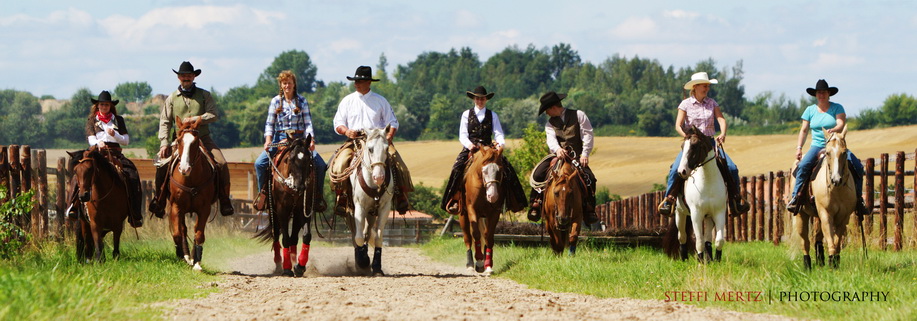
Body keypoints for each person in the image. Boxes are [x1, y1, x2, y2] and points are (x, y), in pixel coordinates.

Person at [656, 72, 750, 217]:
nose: (707, 88)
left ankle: (735, 201)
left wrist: (723, 133)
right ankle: (669, 200)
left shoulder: (712, 103)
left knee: (731, 168)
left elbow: (721, 120)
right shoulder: (685, 104)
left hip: (710, 144)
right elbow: (678, 125)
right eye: (705, 86)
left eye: (708, 86)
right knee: (676, 169)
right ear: (696, 87)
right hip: (692, 145)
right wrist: (688, 138)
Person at [148, 61, 234, 217]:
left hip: (202, 137)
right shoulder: (172, 98)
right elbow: (165, 121)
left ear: (194, 76)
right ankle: (159, 201)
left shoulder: (204, 95)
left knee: (221, 163)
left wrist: (197, 118)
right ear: (179, 77)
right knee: (161, 166)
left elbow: (214, 114)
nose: (185, 78)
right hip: (179, 140)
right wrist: (164, 143)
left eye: (188, 75)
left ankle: (224, 200)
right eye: (183, 75)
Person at [328, 66, 413, 215]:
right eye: (355, 81)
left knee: (400, 165)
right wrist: (347, 131)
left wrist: (389, 136)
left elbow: (393, 122)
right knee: (340, 163)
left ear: (368, 82)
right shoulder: (347, 101)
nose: (356, 84)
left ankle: (401, 196)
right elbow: (338, 123)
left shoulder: (381, 101)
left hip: (378, 141)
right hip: (354, 141)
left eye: (359, 81)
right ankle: (341, 197)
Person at [786, 79, 869, 215]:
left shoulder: (837, 107)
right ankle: (796, 197)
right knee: (803, 166)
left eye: (824, 92)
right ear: (815, 95)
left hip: (836, 144)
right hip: (817, 145)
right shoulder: (810, 110)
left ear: (829, 93)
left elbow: (841, 123)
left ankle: (858, 199)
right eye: (819, 92)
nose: (821, 95)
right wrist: (799, 148)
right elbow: (804, 130)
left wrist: (834, 129)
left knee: (858, 166)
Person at [440, 86, 527, 214]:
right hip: (471, 148)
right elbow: (462, 135)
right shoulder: (466, 114)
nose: (480, 101)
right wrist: (470, 146)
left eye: (482, 99)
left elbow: (498, 133)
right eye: (477, 99)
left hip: (488, 149)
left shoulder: (493, 115)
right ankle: (454, 199)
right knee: (457, 168)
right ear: (474, 99)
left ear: (486, 99)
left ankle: (515, 201)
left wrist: (500, 145)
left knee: (508, 169)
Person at [65, 90, 144, 228]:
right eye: (101, 105)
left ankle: (134, 214)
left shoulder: (118, 120)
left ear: (110, 106)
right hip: (97, 153)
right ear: (98, 106)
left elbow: (126, 140)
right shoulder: (92, 120)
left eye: (106, 105)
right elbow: (90, 137)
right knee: (80, 174)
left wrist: (116, 136)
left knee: (132, 174)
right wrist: (97, 143)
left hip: (115, 153)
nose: (104, 107)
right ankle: (73, 207)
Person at [253, 70, 327, 212]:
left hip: (299, 139)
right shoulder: (275, 101)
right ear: (281, 85)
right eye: (284, 83)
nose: (287, 86)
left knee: (320, 165)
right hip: (280, 138)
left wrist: (311, 141)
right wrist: (268, 140)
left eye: (289, 83)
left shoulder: (302, 101)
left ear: (294, 85)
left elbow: (308, 123)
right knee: (259, 164)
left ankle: (317, 197)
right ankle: (264, 195)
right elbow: (269, 124)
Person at [526, 91, 600, 225]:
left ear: (553, 107)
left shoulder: (579, 115)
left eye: (547, 110)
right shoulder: (549, 124)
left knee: (590, 179)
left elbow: (588, 135)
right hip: (557, 156)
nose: (547, 114)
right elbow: (551, 141)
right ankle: (536, 204)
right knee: (538, 175)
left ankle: (589, 210)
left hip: (576, 157)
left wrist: (585, 154)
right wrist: (558, 149)